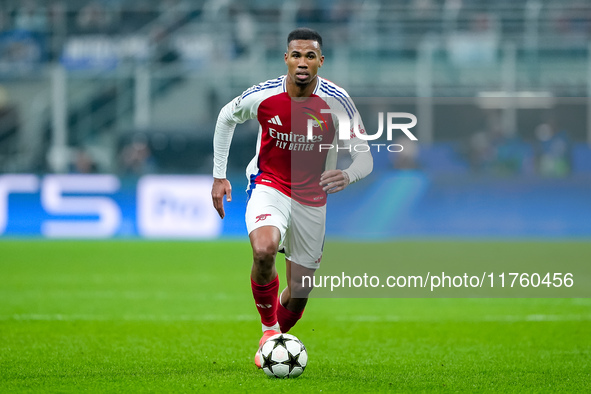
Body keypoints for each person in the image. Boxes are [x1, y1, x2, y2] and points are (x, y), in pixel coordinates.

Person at [211, 27, 372, 368]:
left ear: (320, 62)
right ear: (286, 58)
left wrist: (347, 174)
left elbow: (364, 156)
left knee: (299, 294)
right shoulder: (264, 95)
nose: (302, 62)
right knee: (263, 249)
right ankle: (269, 332)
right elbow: (227, 117)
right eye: (296, 55)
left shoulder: (336, 101)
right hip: (269, 185)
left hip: (311, 199)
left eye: (310, 56)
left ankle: (271, 347)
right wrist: (219, 175)